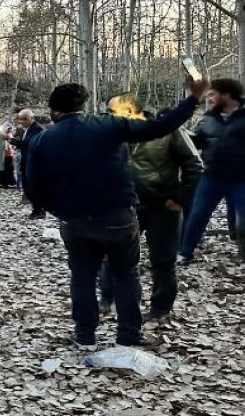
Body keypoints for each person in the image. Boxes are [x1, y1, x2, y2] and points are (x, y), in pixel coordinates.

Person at [26, 77, 208, 348]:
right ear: (82, 105)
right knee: (126, 273)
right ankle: (128, 335)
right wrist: (193, 99)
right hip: (118, 214)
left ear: (53, 110)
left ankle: (85, 336)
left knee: (83, 275)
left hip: (75, 219)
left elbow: (32, 185)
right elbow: (160, 126)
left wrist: (55, 209)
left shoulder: (41, 140)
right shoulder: (105, 126)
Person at [97, 93, 203, 323]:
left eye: (112, 111)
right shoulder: (112, 132)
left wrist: (180, 198)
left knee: (163, 259)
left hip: (162, 204)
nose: (107, 115)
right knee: (111, 254)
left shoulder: (169, 131)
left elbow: (194, 165)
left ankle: (160, 307)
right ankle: (108, 299)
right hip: (124, 204)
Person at [179, 78, 245, 264]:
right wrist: (182, 134)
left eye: (213, 94)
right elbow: (198, 141)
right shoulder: (209, 118)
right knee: (197, 216)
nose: (210, 99)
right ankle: (185, 252)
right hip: (211, 177)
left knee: (243, 220)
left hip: (241, 178)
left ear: (226, 95)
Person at [0, 109, 45, 219]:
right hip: (26, 161)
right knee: (27, 187)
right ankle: (38, 209)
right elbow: (23, 145)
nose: (22, 121)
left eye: (25, 119)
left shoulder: (37, 129)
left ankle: (39, 211)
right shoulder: (27, 129)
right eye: (20, 119)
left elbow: (27, 145)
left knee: (32, 188)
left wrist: (10, 139)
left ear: (32, 118)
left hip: (34, 163)